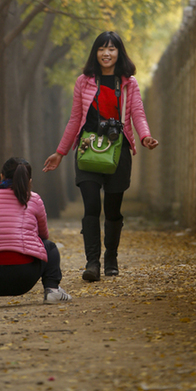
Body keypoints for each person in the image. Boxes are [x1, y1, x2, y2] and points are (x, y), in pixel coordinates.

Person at [43, 31, 158, 282]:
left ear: (119, 52)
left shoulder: (129, 83)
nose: (106, 53)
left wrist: (145, 136)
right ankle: (92, 262)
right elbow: (75, 118)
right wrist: (60, 152)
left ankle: (111, 258)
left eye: (112, 49)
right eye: (101, 49)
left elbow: (137, 113)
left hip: (118, 150)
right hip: (87, 147)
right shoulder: (84, 81)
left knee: (113, 209)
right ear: (95, 53)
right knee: (92, 206)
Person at [0, 157, 72, 308]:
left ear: (1, 176)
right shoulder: (34, 199)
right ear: (28, 180)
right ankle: (52, 290)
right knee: (49, 246)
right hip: (24, 277)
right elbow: (43, 235)